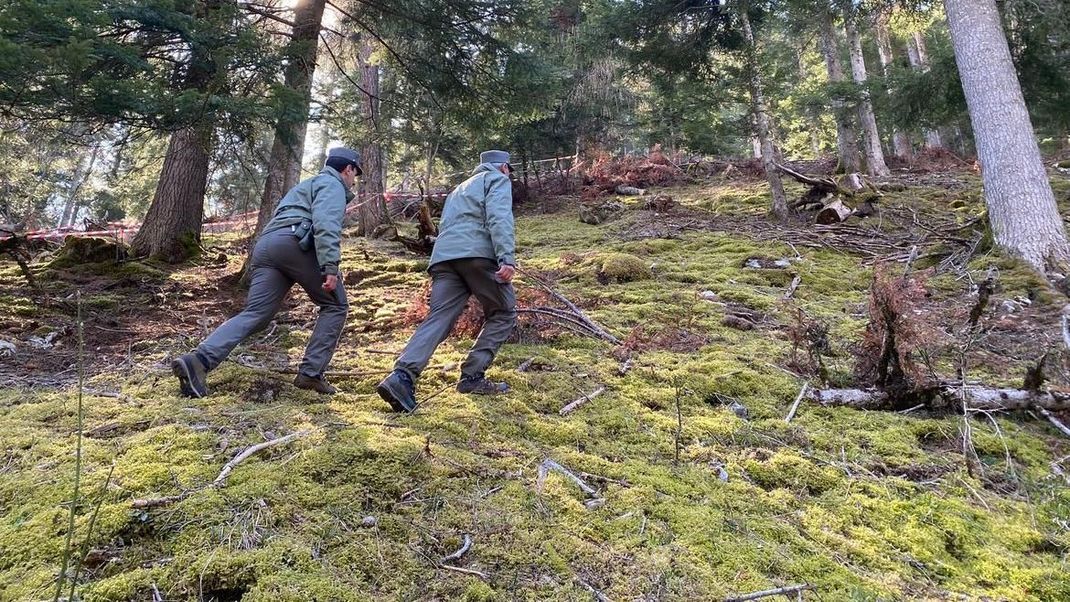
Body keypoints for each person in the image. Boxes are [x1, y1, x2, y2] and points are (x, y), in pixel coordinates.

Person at [172, 147, 361, 398]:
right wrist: (330, 266)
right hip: (296, 244)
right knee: (336, 305)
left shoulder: (306, 185)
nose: (354, 180)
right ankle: (310, 374)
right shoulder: (332, 184)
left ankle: (199, 361)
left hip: (267, 246)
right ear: (347, 169)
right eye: (355, 174)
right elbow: (326, 223)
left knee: (257, 314)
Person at [376, 150, 518, 413]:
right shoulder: (497, 181)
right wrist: (506, 258)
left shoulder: (458, 189)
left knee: (439, 318)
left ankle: (402, 377)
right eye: (509, 170)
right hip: (477, 256)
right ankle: (472, 377)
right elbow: (500, 218)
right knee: (504, 311)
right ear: (503, 168)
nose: (509, 174)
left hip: (444, 259)